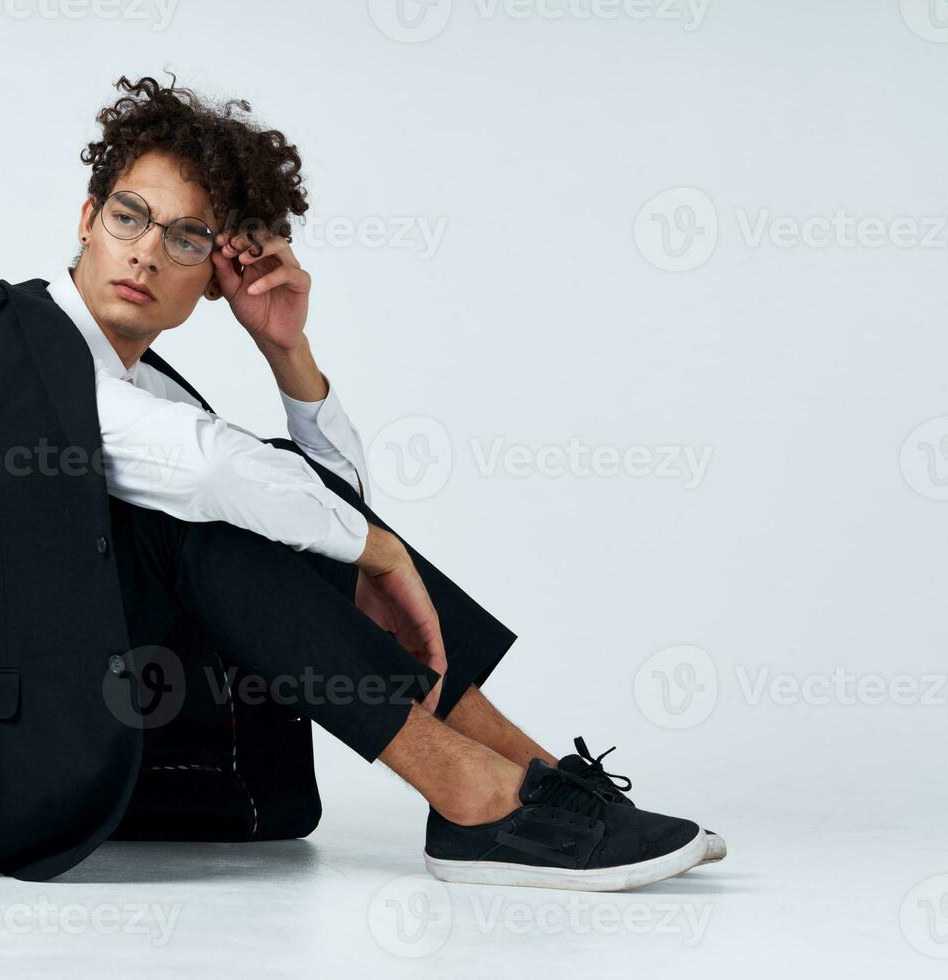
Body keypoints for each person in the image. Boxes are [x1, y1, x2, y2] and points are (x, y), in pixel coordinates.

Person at [52, 73, 726, 891]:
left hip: (128, 693)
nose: (148, 250)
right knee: (215, 505)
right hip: (33, 730)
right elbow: (221, 475)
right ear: (88, 220)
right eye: (129, 216)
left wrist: (286, 351)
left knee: (269, 492)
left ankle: (533, 774)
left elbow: (320, 504)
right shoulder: (27, 353)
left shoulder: (147, 385)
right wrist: (380, 553)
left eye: (187, 238)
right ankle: (471, 797)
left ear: (211, 278)